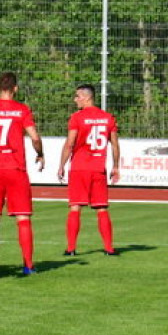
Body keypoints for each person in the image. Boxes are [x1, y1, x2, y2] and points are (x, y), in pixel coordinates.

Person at [0, 72, 44, 275]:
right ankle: (28, 265)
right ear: (16, 89)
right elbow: (35, 137)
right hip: (16, 169)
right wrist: (40, 153)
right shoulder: (22, 110)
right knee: (23, 218)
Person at [57, 84, 120, 255]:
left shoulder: (77, 117)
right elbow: (114, 144)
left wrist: (61, 165)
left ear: (87, 97)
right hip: (98, 168)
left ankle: (70, 249)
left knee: (75, 207)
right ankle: (109, 248)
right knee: (101, 208)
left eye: (77, 96)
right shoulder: (108, 118)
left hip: (79, 168)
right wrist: (115, 166)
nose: (75, 99)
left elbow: (70, 144)